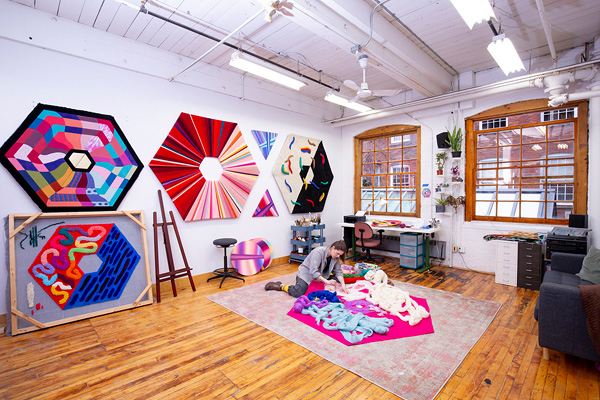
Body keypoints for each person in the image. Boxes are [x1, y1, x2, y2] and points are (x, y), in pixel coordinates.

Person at [265, 240, 348, 297]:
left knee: (338, 280)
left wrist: (343, 284)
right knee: (299, 292)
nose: (338, 256)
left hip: (321, 275)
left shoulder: (335, 257)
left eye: (340, 255)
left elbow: (338, 271)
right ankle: (280, 286)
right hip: (306, 275)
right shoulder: (318, 252)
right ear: (333, 248)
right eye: (337, 253)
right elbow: (313, 272)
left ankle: (322, 284)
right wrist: (327, 281)